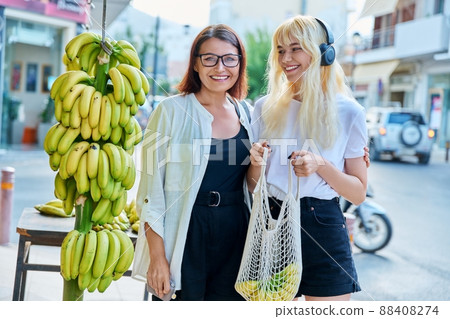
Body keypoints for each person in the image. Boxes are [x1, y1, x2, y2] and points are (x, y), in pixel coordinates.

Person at [248, 15, 368, 301]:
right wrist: (255, 162)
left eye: (295, 48)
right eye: (280, 50)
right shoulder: (264, 107)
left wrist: (320, 165)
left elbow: (358, 193)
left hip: (323, 224)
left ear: (323, 54)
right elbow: (253, 185)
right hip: (272, 223)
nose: (286, 58)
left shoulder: (350, 112)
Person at [131, 24, 254, 301]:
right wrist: (158, 257)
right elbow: (150, 191)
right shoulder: (168, 111)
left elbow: (251, 184)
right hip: (187, 231)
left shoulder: (246, 113)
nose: (220, 67)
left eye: (229, 58)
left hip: (237, 235)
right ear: (196, 64)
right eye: (209, 58)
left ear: (239, 64)